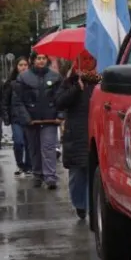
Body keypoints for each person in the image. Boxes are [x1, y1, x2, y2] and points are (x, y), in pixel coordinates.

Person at [55, 52, 98, 220]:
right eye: (84, 59)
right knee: (77, 173)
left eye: (90, 59)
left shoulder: (100, 81)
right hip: (76, 133)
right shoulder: (69, 82)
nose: (87, 63)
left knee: (93, 172)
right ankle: (80, 205)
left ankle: (92, 205)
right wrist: (75, 89)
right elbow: (59, 102)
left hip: (95, 131)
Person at [12, 53, 62, 189]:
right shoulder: (23, 77)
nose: (41, 61)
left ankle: (50, 177)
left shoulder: (55, 76)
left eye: (43, 58)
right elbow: (17, 101)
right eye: (38, 58)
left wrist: (60, 115)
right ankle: (38, 174)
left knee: (48, 147)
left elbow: (61, 98)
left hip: (50, 119)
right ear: (33, 60)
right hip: (31, 120)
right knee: (34, 148)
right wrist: (27, 119)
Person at [4, 57, 31, 175]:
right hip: (16, 118)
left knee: (29, 143)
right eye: (20, 65)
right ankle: (20, 164)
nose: (23, 67)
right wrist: (6, 116)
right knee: (18, 142)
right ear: (16, 67)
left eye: (25, 65)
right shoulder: (11, 83)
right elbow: (5, 101)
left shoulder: (33, 81)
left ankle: (29, 166)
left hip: (30, 118)